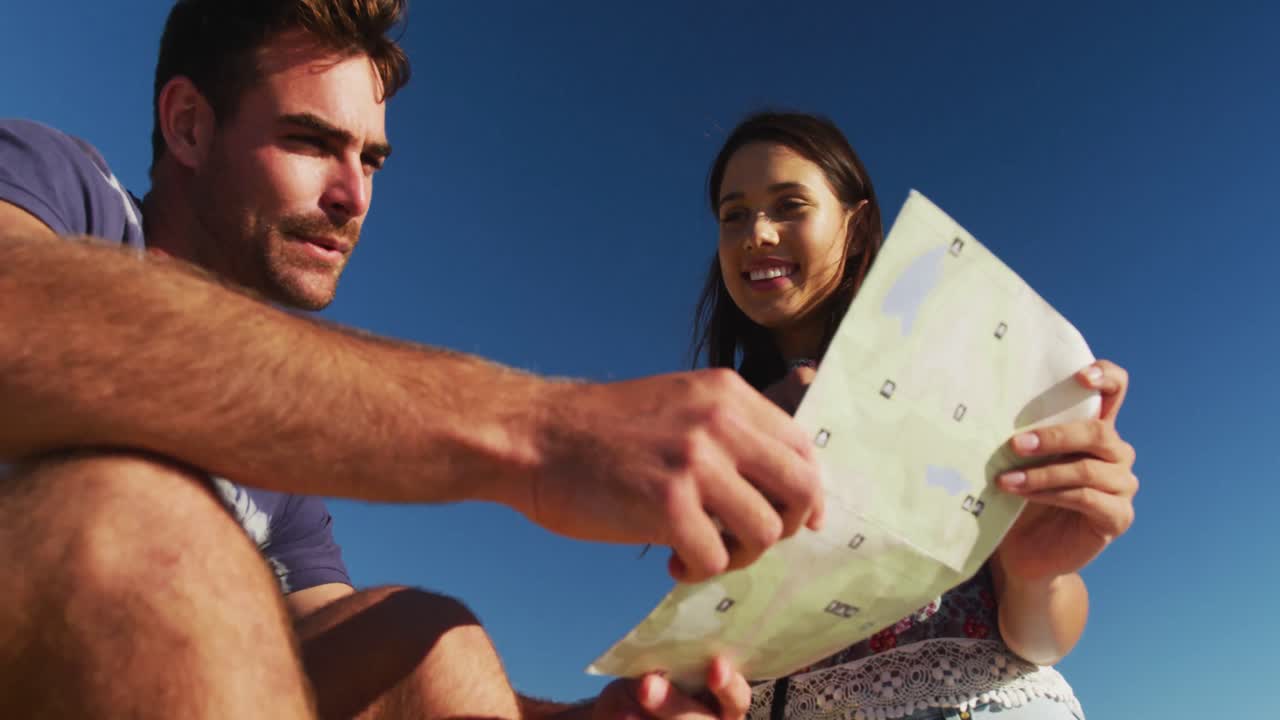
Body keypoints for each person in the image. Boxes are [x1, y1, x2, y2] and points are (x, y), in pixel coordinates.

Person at [0, 2, 828, 718]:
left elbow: (319, 660)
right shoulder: (65, 191)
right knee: (144, 524)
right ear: (188, 124)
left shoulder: (281, 466)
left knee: (422, 642)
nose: (353, 196)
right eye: (309, 140)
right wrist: (540, 431)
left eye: (371, 160)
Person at [689, 111, 1139, 720]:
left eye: (789, 204)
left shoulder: (960, 367)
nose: (757, 233)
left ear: (856, 221)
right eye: (733, 214)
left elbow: (1038, 639)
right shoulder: (699, 434)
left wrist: (1038, 577)